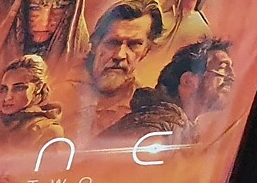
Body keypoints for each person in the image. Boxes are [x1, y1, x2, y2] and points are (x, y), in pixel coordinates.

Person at [65, 0, 166, 142]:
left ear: (146, 50)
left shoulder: (145, 110)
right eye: (113, 42)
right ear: (95, 43)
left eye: (134, 44)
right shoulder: (56, 88)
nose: (120, 55)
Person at [101, 38, 237, 145]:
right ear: (188, 81)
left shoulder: (176, 129)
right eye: (222, 68)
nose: (231, 77)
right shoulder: (154, 130)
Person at [0, 0, 89, 84]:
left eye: (59, 8)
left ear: (72, 11)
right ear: (23, 8)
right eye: (35, 8)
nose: (45, 21)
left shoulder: (85, 68)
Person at [0, 55, 65, 153]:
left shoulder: (48, 132)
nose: (7, 97)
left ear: (38, 88)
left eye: (19, 88)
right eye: (4, 89)